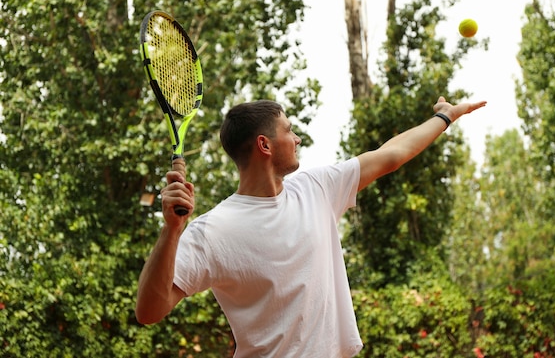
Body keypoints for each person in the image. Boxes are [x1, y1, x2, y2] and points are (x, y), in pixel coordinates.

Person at [135, 96, 487, 357]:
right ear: (265, 145)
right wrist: (171, 231)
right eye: (289, 130)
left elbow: (391, 155)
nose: (297, 138)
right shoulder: (212, 232)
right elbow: (150, 311)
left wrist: (444, 116)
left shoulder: (316, 189)